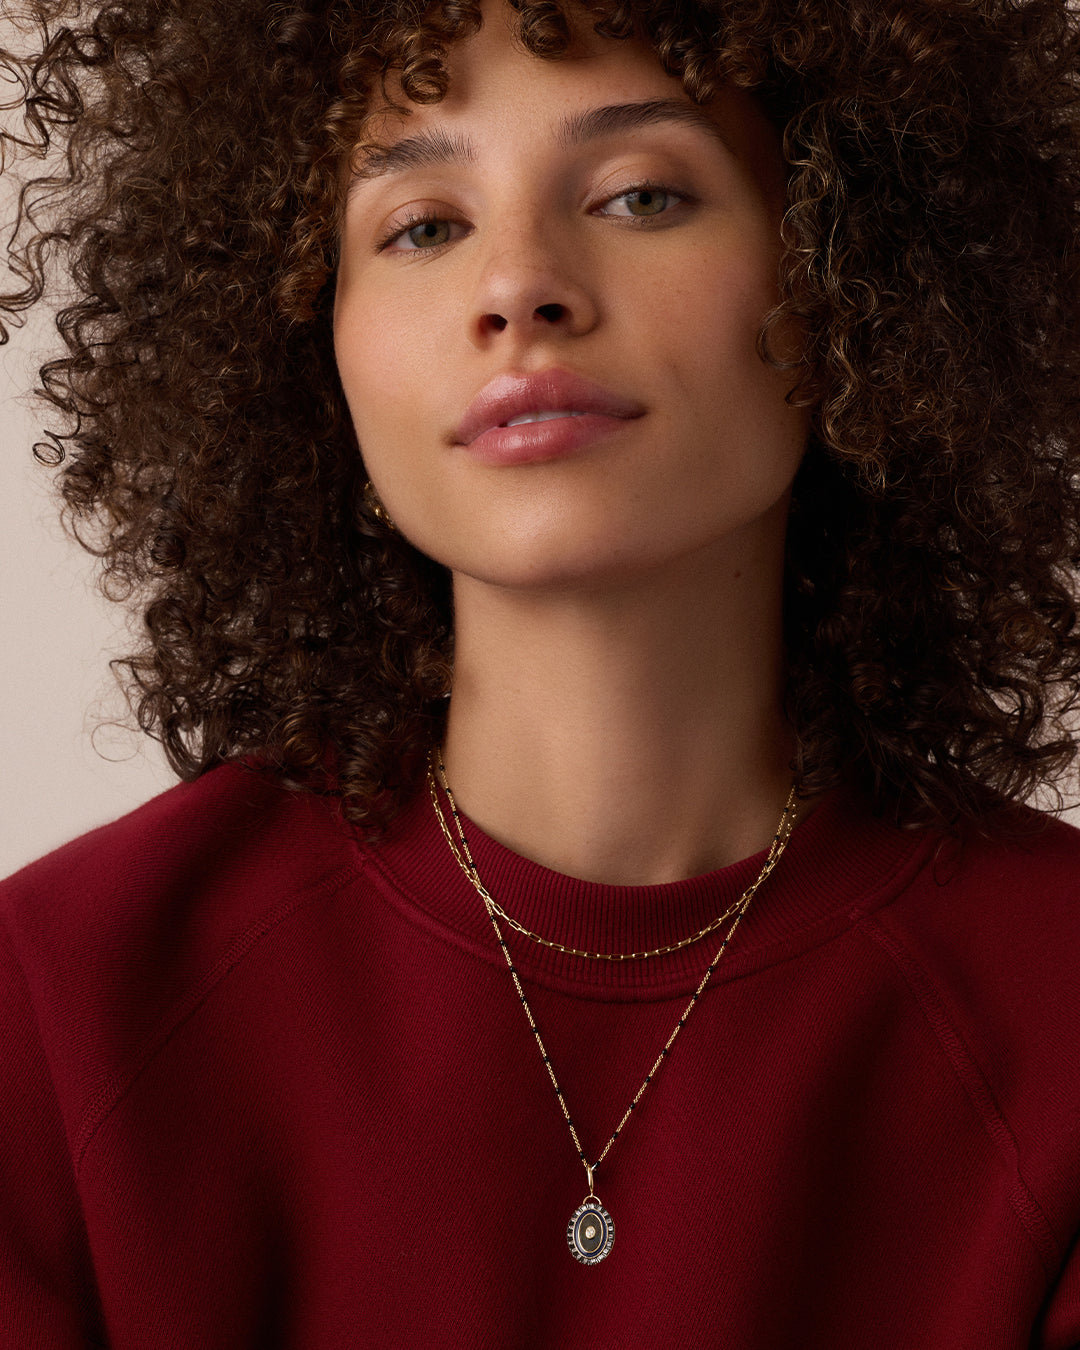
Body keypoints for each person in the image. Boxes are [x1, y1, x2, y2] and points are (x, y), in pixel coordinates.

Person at [2, 0, 1079, 1343]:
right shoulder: (66, 1006)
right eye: (423, 226)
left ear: (854, 269)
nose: (519, 286)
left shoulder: (1058, 1009)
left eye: (640, 196)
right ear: (311, 339)